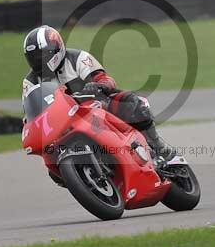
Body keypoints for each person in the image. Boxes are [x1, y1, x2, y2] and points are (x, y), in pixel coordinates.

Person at [21, 25, 182, 168]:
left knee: (133, 104)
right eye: (33, 58)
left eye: (41, 56)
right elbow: (30, 109)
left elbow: (105, 79)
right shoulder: (30, 81)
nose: (37, 62)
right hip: (63, 121)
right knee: (49, 157)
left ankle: (159, 148)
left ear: (56, 50)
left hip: (94, 105)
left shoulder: (77, 58)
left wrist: (98, 85)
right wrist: (28, 123)